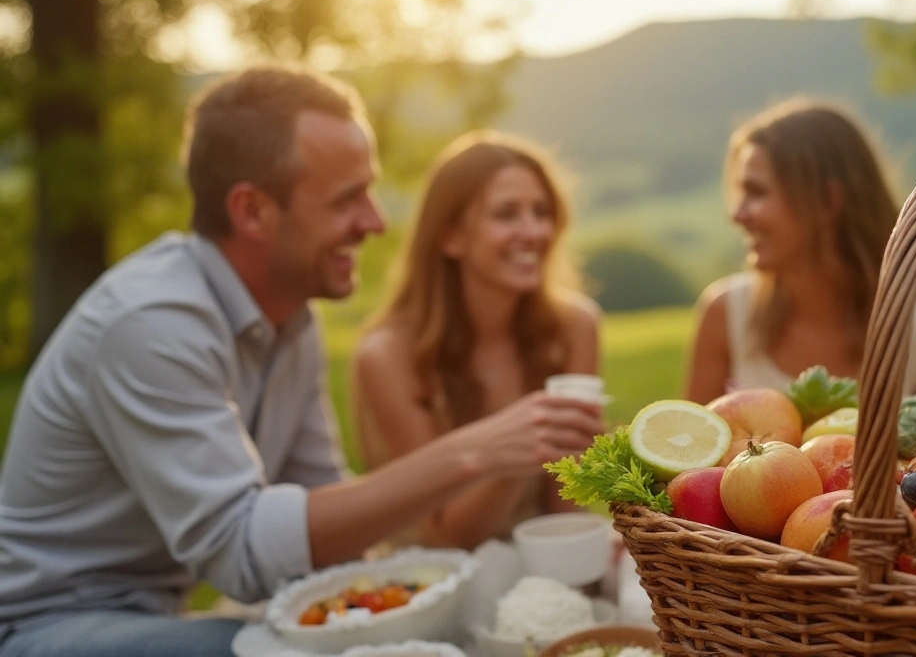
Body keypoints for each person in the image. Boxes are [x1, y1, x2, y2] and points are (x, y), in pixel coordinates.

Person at [0, 65, 603, 657]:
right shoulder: (151, 325)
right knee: (282, 653)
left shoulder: (291, 321)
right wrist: (472, 452)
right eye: (348, 200)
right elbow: (243, 554)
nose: (376, 221)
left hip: (156, 613)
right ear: (253, 211)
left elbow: (323, 513)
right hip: (50, 626)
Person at [352, 131, 601, 551]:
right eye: (506, 214)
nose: (534, 231)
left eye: (541, 212)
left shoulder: (574, 327)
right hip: (433, 577)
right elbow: (447, 535)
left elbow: (564, 504)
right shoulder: (388, 355)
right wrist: (516, 452)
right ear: (451, 236)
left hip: (539, 558)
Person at [686, 98, 916, 404]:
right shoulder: (727, 314)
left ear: (827, 200)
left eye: (756, 192)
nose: (737, 214)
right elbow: (691, 445)